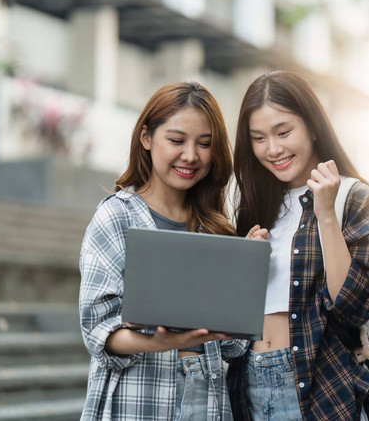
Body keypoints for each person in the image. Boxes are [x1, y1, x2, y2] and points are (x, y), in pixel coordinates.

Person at [79, 82, 266, 420]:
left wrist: (245, 275)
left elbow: (233, 345)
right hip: (138, 398)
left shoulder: (216, 228)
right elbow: (97, 328)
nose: (191, 155)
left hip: (207, 398)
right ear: (147, 138)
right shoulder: (116, 217)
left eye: (204, 143)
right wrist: (158, 343)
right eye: (177, 140)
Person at [228, 70, 369, 420]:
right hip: (249, 385)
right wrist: (243, 264)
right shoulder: (254, 206)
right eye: (258, 138)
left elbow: (351, 307)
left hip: (320, 388)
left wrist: (326, 217)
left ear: (313, 127)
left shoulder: (354, 197)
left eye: (283, 132)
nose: (273, 149)